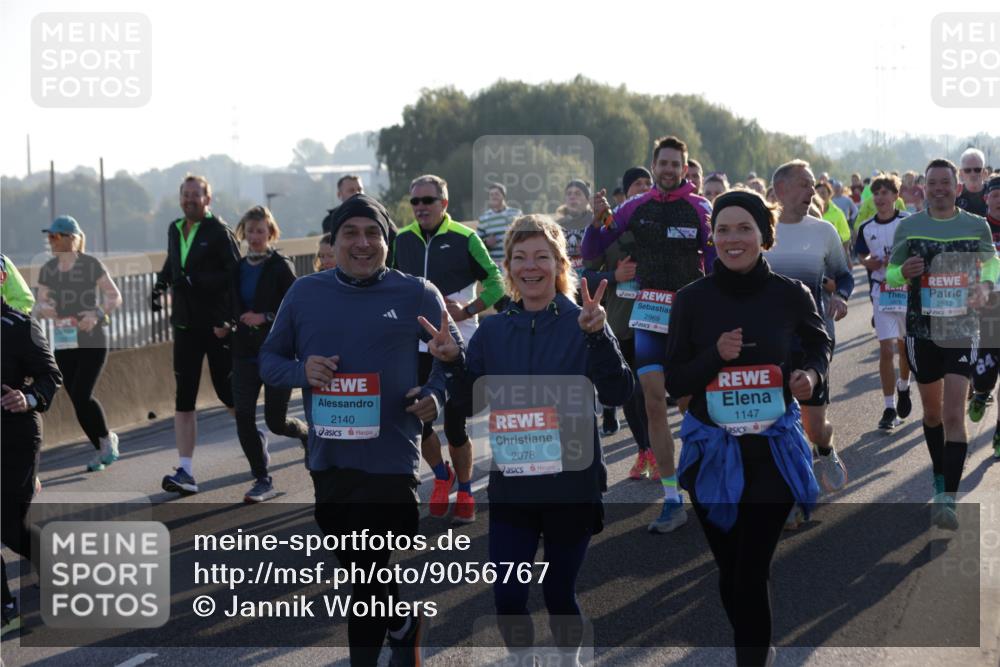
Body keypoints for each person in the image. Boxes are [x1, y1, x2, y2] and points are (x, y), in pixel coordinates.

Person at [260, 193, 463, 666]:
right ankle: (403, 624)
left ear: (387, 241)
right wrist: (300, 371)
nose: (363, 243)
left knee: (366, 577)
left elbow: (453, 359)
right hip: (329, 460)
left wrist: (435, 395)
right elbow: (269, 361)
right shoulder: (305, 293)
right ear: (333, 242)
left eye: (373, 233)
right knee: (363, 570)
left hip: (391, 459)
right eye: (351, 233)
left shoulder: (417, 292)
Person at [424, 214, 633, 666]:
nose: (530, 266)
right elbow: (467, 404)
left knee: (559, 592)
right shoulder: (495, 329)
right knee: (508, 597)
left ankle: (568, 660)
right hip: (514, 486)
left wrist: (599, 338)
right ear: (509, 267)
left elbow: (619, 392)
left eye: (541, 256)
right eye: (520, 257)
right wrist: (454, 361)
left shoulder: (585, 319)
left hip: (570, 484)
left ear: (559, 263)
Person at [666, 190, 828, 667]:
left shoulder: (790, 294)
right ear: (710, 237)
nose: (732, 239)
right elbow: (676, 380)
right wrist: (716, 355)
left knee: (751, 571)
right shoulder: (691, 300)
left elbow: (818, 345)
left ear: (764, 235)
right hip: (711, 453)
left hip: (771, 452)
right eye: (722, 229)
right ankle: (757, 646)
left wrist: (810, 376)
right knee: (731, 569)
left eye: (744, 228)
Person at [582, 135, 715, 534]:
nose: (670, 170)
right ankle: (672, 499)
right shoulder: (634, 207)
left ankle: (706, 483)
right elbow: (593, 249)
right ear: (654, 166)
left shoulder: (701, 208)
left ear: (685, 168)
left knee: (693, 404)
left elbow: (713, 260)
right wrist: (597, 219)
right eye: (664, 163)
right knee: (653, 403)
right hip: (650, 313)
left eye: (677, 164)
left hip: (691, 315)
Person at [884, 159, 999, 529]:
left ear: (957, 186)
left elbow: (992, 265)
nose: (938, 189)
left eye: (945, 183)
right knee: (932, 415)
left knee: (953, 415)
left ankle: (947, 496)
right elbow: (889, 272)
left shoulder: (976, 224)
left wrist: (986, 286)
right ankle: (938, 474)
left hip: (963, 328)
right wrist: (902, 272)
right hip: (922, 330)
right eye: (932, 183)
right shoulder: (909, 226)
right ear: (923, 188)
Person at [393, 174, 504, 523]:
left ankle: (467, 490)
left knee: (456, 426)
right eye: (415, 202)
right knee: (419, 421)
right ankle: (442, 476)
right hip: (417, 343)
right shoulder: (402, 240)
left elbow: (496, 282)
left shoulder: (465, 237)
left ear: (444, 204)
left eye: (428, 201)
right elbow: (391, 285)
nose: (421, 207)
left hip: (458, 342)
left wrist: (470, 309)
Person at [764, 160, 852, 524]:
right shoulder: (759, 232)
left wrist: (841, 296)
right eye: (803, 185)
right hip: (768, 343)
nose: (811, 193)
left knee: (814, 425)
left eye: (812, 186)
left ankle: (826, 448)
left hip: (813, 340)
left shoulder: (824, 231)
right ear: (779, 189)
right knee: (778, 422)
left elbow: (844, 275)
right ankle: (795, 495)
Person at [153, 175, 240, 495]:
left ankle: (252, 439)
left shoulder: (219, 231)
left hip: (215, 326)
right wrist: (160, 284)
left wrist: (229, 319)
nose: (190, 199)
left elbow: (235, 274)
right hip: (185, 326)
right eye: (185, 194)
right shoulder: (175, 229)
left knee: (225, 392)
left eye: (196, 195)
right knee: (184, 398)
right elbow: (175, 262)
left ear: (208, 199)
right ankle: (186, 471)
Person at [584, 166, 660, 477]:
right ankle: (645, 452)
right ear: (625, 192)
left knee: (654, 391)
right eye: (636, 184)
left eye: (648, 183)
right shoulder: (610, 224)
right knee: (632, 392)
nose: (643, 188)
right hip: (622, 320)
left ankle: (659, 452)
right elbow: (585, 274)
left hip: (657, 319)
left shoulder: (662, 217)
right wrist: (614, 276)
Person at [230, 206, 309, 503]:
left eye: (260, 231)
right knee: (244, 417)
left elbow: (296, 307)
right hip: (243, 353)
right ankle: (262, 479)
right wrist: (228, 323)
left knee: (276, 421)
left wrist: (265, 316)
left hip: (277, 352)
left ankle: (304, 433)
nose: (254, 237)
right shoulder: (237, 268)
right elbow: (232, 303)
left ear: (270, 232)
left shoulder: (280, 266)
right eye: (250, 231)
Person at [1, 255, 63, 638]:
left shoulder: (19, 327)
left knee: (9, 528)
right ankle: (5, 606)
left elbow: (50, 376)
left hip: (16, 435)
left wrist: (28, 397)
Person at [35, 215, 122, 472]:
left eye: (55, 236)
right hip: (64, 342)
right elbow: (39, 303)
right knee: (76, 398)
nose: (50, 241)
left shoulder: (90, 264)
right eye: (49, 236)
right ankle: (102, 445)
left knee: (83, 393)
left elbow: (114, 296)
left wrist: (97, 314)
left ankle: (107, 442)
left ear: (72, 239)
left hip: (91, 339)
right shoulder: (48, 269)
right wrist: (45, 308)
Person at [854, 174, 912, 430]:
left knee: (904, 348)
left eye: (885, 192)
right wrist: (868, 262)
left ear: (895, 196)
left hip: (906, 291)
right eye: (876, 193)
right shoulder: (867, 227)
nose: (880, 198)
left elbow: (919, 249)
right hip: (881, 292)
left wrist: (901, 263)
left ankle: (904, 387)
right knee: (886, 349)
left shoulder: (908, 222)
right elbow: (860, 253)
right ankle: (889, 407)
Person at [967, 174, 1000, 460]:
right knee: (985, 372)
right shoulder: (977, 228)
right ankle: (980, 392)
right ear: (987, 198)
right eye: (996, 194)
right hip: (986, 307)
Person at [555, 180, 595, 279]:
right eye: (569, 194)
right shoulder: (557, 224)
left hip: (591, 279)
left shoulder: (596, 220)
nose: (572, 197)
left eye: (577, 193)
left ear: (587, 199)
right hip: (565, 279)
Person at [477, 182, 523, 267]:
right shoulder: (483, 219)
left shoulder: (516, 214)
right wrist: (486, 243)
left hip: (515, 262)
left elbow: (525, 236)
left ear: (503, 196)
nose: (494, 196)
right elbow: (477, 244)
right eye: (491, 195)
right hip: (495, 265)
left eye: (497, 194)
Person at [815, 181, 852, 267]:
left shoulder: (838, 213)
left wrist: (846, 255)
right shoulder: (808, 212)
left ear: (829, 194)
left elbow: (846, 235)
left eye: (823, 192)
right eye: (817, 193)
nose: (820, 195)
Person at [956, 148, 988, 217]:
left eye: (977, 170)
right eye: (967, 170)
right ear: (961, 173)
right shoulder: (955, 195)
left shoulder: (993, 193)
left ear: (984, 172)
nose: (972, 174)